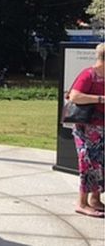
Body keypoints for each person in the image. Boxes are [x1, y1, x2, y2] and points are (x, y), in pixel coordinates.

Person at [68, 43, 105, 218]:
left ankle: (95, 200)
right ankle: (81, 203)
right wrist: (101, 99)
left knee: (101, 165)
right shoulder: (88, 74)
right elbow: (74, 96)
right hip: (87, 128)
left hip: (102, 127)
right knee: (88, 162)